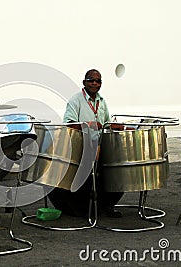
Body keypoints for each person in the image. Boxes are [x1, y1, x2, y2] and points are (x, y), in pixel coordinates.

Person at [48, 69, 124, 218]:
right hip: (81, 147)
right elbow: (69, 125)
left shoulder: (102, 102)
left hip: (100, 145)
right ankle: (80, 209)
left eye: (98, 81)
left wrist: (116, 126)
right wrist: (87, 124)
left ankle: (105, 206)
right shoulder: (76, 100)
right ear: (84, 82)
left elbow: (106, 123)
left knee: (114, 172)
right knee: (87, 179)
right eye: (91, 80)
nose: (94, 83)